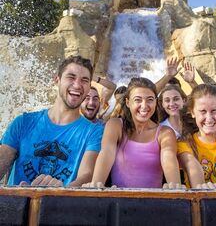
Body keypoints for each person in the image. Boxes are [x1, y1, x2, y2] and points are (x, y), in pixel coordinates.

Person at [0, 55, 102, 187]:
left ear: (89, 87)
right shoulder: (23, 122)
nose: (77, 85)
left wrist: (58, 193)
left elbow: (86, 175)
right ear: (57, 80)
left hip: (60, 206)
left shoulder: (94, 132)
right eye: (71, 77)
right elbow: (3, 159)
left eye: (84, 80)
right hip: (17, 204)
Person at [83, 77, 182, 189]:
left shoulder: (165, 133)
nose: (144, 106)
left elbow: (168, 158)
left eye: (150, 99)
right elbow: (107, 153)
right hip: (119, 202)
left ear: (155, 102)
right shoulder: (115, 126)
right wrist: (97, 183)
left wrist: (175, 186)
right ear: (128, 102)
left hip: (154, 202)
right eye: (138, 100)